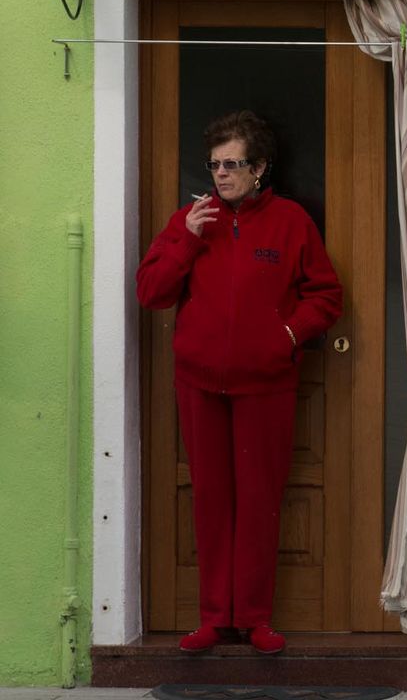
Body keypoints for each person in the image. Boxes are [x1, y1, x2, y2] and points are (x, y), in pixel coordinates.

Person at [136, 111, 343, 655]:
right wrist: (186, 240)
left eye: (234, 164)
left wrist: (286, 336)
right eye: (215, 164)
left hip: (267, 384)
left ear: (260, 168)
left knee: (258, 500)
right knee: (209, 498)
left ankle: (254, 619)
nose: (222, 174)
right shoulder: (189, 219)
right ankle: (212, 619)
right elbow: (151, 292)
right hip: (199, 384)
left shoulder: (292, 221)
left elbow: (325, 295)